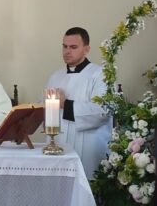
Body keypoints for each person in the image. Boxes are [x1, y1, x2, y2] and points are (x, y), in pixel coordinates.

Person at [45, 27, 112, 176]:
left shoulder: (100, 74)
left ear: (87, 49)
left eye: (73, 47)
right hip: (59, 145)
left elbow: (103, 111)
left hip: (88, 149)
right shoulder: (55, 77)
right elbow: (45, 111)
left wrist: (66, 104)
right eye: (64, 46)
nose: (67, 51)